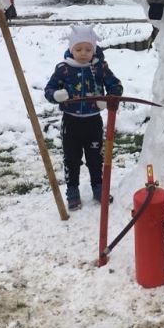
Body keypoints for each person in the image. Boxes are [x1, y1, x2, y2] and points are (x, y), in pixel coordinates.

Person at [44, 25, 123, 210]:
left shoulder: (99, 68)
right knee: (72, 158)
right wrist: (56, 95)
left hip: (93, 121)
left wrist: (108, 99)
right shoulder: (63, 69)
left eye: (88, 49)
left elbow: (116, 86)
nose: (83, 53)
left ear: (94, 49)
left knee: (95, 157)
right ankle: (72, 191)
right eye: (78, 49)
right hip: (71, 122)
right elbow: (49, 90)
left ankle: (98, 187)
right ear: (71, 49)